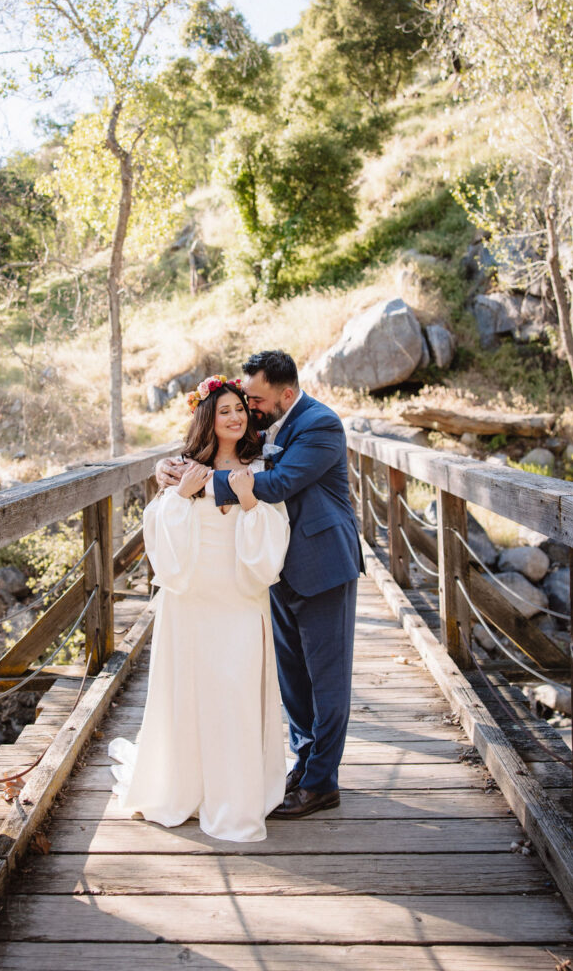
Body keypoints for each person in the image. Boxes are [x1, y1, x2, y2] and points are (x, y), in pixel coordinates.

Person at [158, 350, 363, 818]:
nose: (248, 407)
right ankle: (303, 765)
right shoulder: (261, 423)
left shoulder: (320, 424)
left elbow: (279, 482)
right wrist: (169, 473)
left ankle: (322, 784)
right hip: (270, 570)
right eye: (245, 399)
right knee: (293, 681)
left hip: (322, 567)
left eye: (255, 399)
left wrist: (199, 484)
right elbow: (218, 438)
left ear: (285, 395)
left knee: (326, 682)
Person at [109, 375, 290, 842]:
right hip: (191, 596)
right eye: (224, 410)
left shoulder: (262, 464)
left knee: (235, 692)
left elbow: (275, 531)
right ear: (207, 417)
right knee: (192, 691)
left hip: (240, 594)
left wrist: (251, 501)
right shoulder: (180, 467)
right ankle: (184, 787)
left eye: (239, 409)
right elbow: (159, 526)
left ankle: (235, 795)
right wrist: (182, 495)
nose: (234, 417)